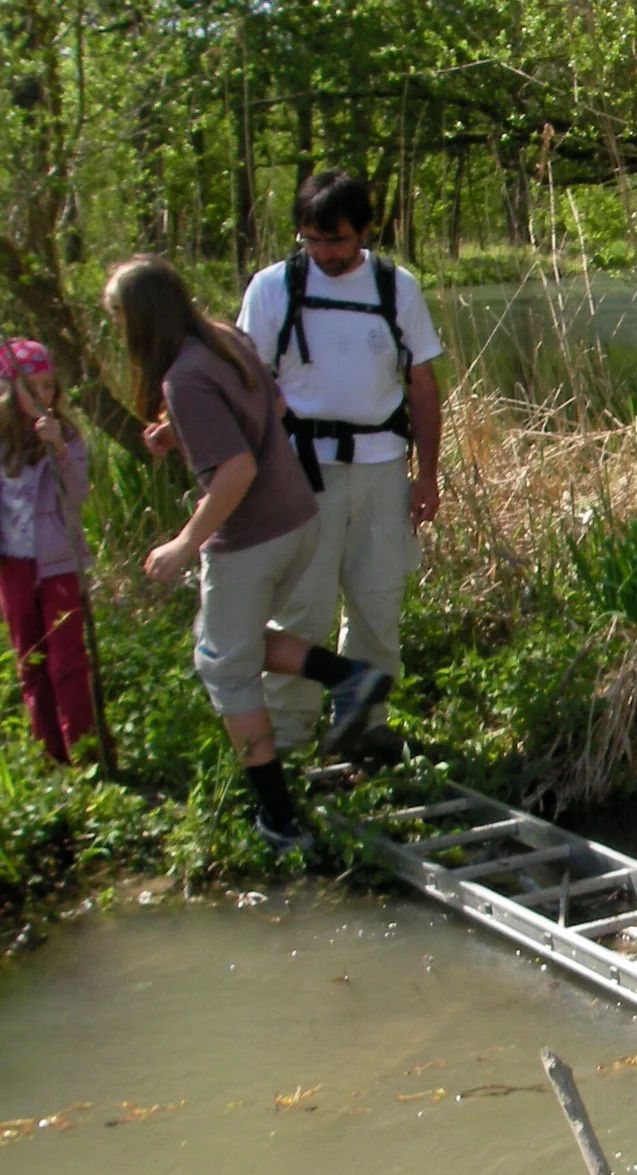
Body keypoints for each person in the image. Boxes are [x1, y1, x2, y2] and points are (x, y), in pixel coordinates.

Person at [103, 255, 393, 853]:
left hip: (251, 538)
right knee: (235, 641)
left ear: (140, 320)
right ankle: (350, 677)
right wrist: (180, 431)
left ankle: (279, 820)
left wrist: (184, 543)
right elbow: (274, 409)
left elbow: (235, 469)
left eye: (117, 320)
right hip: (298, 520)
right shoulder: (225, 339)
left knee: (224, 667)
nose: (117, 333)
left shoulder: (182, 378)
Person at [235, 169, 443, 762]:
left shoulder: (396, 287)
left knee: (378, 601)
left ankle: (364, 728)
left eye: (337, 240)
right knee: (302, 606)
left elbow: (423, 386)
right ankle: (290, 736)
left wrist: (428, 476)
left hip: (382, 467)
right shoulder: (272, 288)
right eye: (312, 240)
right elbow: (248, 382)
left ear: (366, 231)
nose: (325, 253)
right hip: (300, 473)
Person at [0, 338, 96, 764]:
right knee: (30, 661)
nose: (42, 395)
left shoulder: (67, 436)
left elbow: (77, 493)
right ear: (10, 389)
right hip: (13, 566)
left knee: (66, 660)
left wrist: (58, 449)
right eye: (32, 387)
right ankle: (50, 756)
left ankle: (88, 756)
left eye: (48, 386)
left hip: (58, 563)